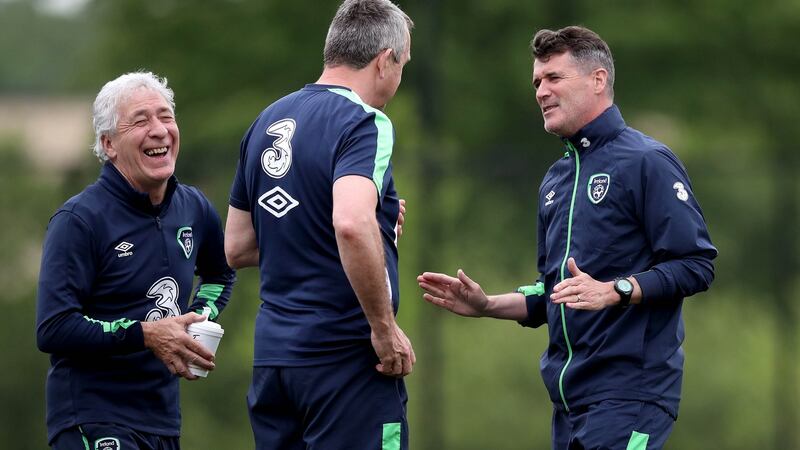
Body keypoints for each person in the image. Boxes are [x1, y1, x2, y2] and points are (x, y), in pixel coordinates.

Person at [418, 26, 717, 450]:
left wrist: (617, 289)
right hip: (569, 402)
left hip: (631, 395)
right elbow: (553, 294)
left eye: (554, 78)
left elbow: (696, 265)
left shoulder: (647, 161)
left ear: (598, 80)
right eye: (537, 81)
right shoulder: (555, 181)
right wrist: (486, 306)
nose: (541, 91)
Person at [224, 0, 414, 448]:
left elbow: (237, 246)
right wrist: (384, 332)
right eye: (403, 63)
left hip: (274, 363)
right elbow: (348, 222)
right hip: (344, 361)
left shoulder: (266, 120)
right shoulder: (365, 121)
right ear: (385, 60)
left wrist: (375, 229)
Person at [36, 71, 236, 450]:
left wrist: (198, 319)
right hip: (92, 418)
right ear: (108, 144)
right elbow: (54, 327)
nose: (159, 130)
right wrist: (146, 334)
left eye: (166, 117)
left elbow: (219, 272)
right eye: (141, 121)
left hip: (163, 420)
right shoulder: (79, 220)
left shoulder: (193, 207)